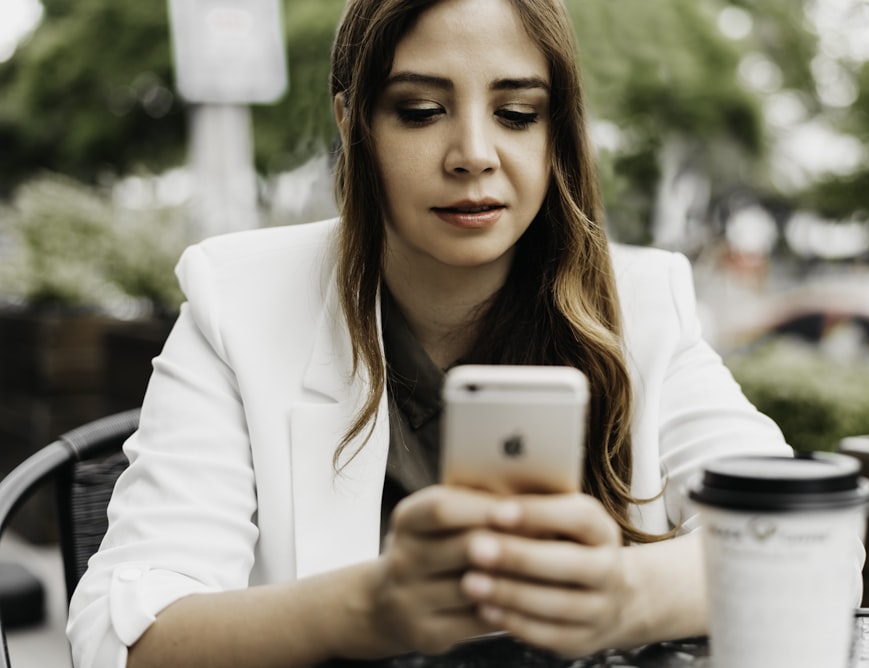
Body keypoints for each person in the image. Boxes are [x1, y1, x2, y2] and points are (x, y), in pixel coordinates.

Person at [67, 0, 793, 666]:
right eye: (419, 111)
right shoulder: (238, 302)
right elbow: (122, 637)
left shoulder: (640, 301)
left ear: (557, 130)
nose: (472, 153)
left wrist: (619, 597)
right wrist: (373, 608)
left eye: (515, 113)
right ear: (352, 122)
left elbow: (794, 538)